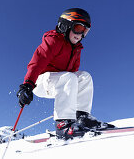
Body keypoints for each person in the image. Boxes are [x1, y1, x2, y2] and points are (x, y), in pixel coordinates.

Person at [17, 8, 114, 140]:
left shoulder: (76, 49)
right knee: (69, 77)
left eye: (85, 31)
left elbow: (74, 76)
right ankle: (62, 125)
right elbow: (37, 62)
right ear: (65, 25)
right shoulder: (53, 40)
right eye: (79, 28)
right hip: (40, 81)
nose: (80, 35)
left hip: (60, 82)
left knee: (85, 77)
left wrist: (72, 102)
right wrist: (27, 84)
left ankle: (82, 117)